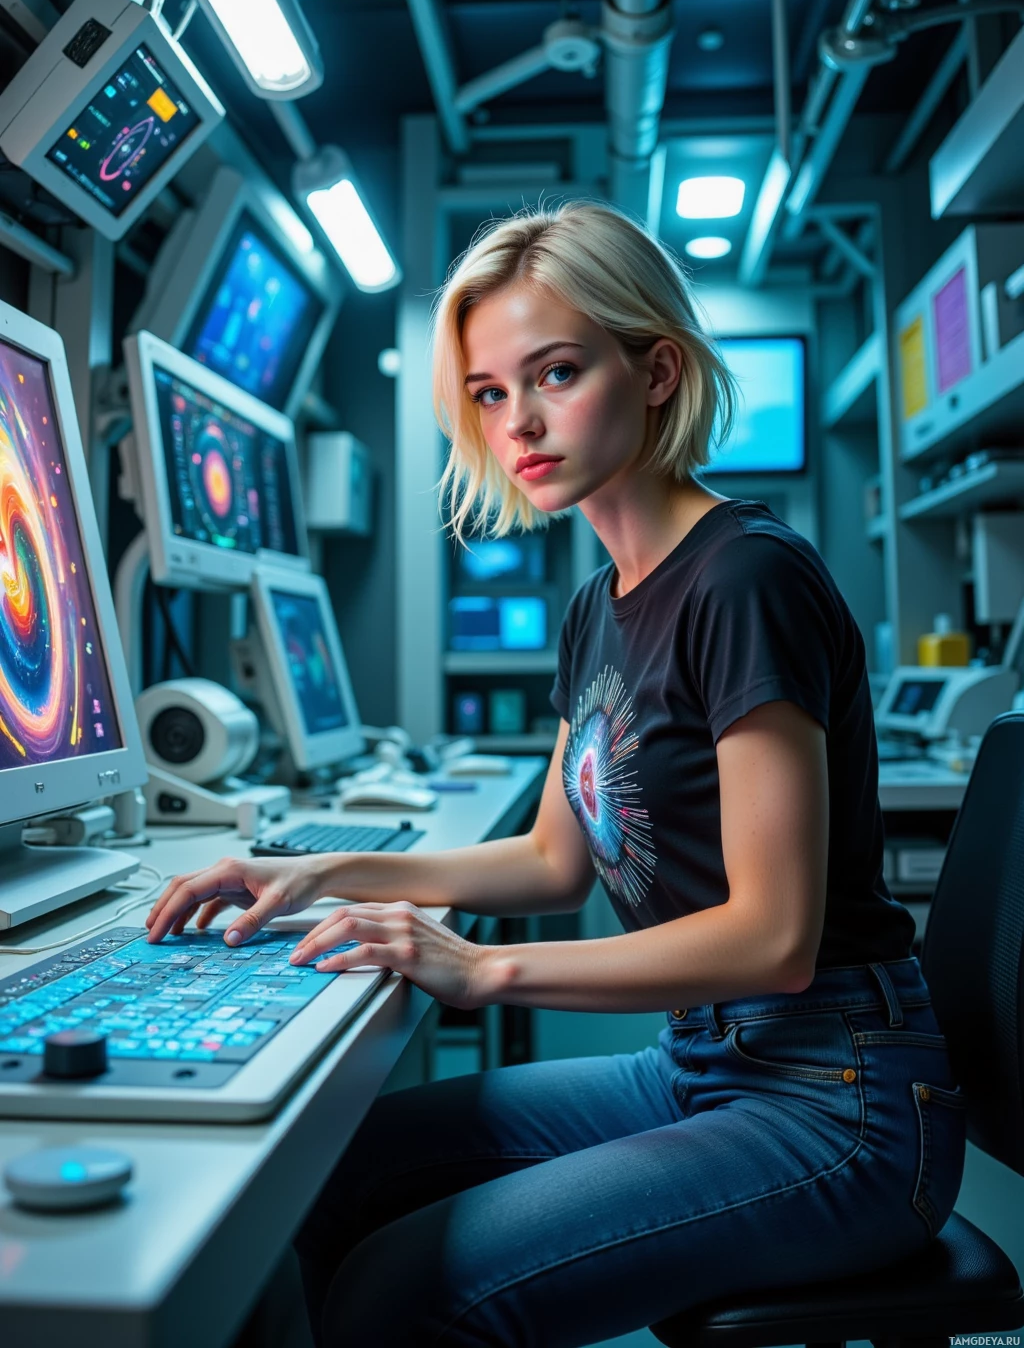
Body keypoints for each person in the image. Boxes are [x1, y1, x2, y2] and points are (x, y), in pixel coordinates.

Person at [144, 202, 966, 1348]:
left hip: (837, 1101)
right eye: (487, 393)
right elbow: (550, 859)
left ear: (658, 370)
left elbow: (774, 939)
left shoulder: (743, 580)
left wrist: (479, 970)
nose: (516, 423)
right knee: (338, 1179)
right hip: (699, 1063)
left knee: (402, 1295)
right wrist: (320, 870)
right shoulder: (599, 605)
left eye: (557, 372)